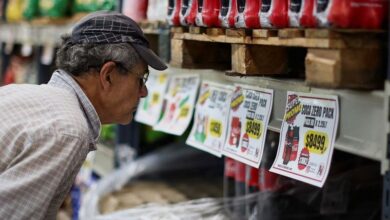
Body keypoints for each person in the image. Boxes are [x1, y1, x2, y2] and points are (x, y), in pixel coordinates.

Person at [0, 11, 167, 219]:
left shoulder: (22, 93)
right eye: (141, 79)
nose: (144, 92)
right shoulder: (68, 130)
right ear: (108, 75)